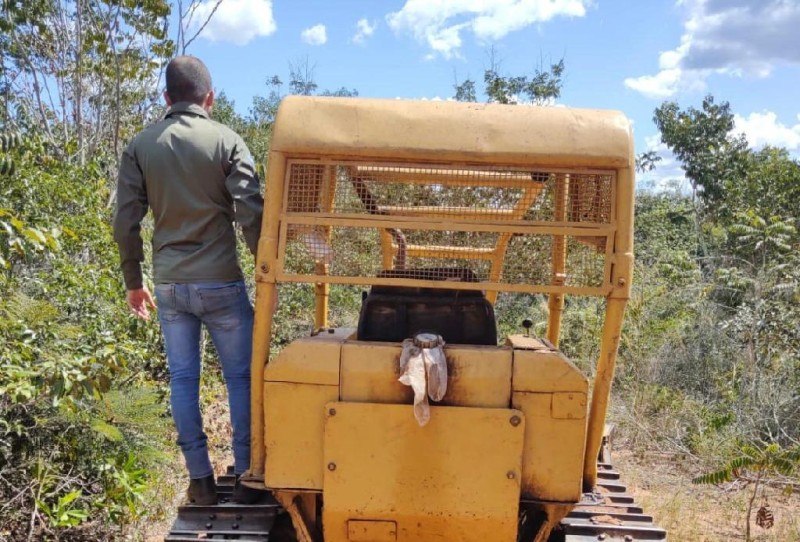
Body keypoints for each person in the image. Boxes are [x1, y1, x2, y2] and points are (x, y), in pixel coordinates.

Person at [113, 56, 264, 505]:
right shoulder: (227, 141)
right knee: (241, 379)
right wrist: (265, 267)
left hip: (170, 286)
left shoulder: (141, 146)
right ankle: (246, 478)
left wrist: (133, 280)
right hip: (221, 282)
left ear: (166, 97)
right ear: (209, 97)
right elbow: (251, 212)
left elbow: (125, 221)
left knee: (182, 378)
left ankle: (200, 481)